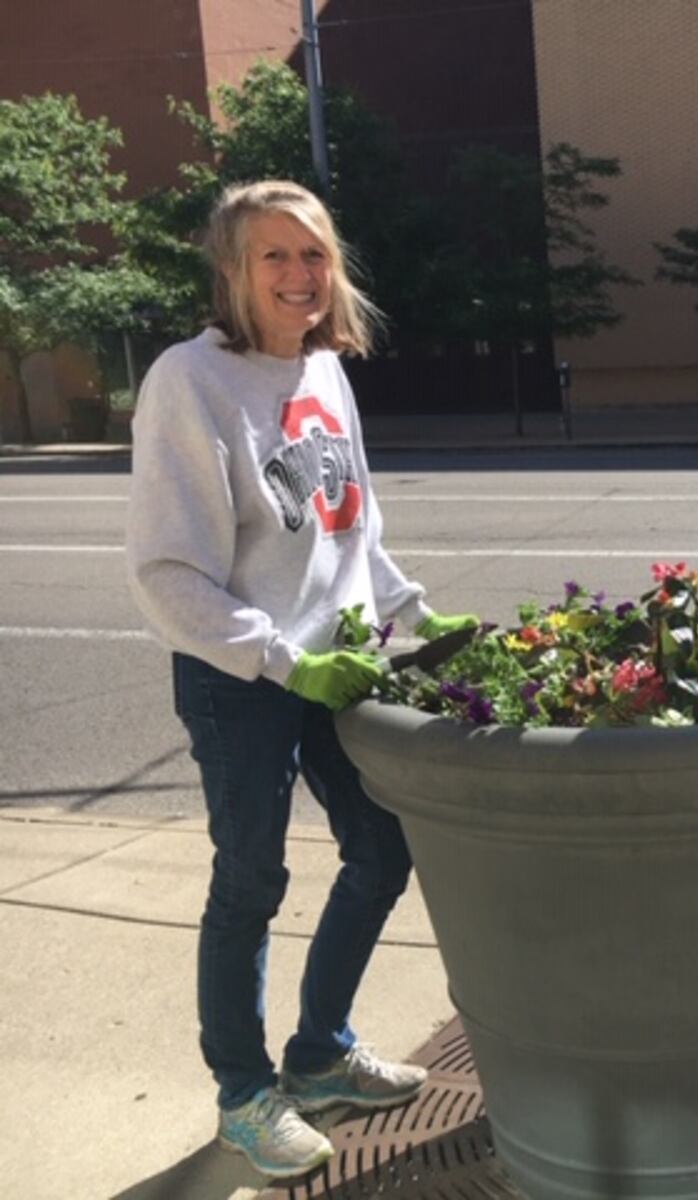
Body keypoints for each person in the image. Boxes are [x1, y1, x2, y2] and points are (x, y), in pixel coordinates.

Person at [125, 180, 479, 1179]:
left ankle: (320, 1050)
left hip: (338, 663)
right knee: (250, 882)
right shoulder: (187, 383)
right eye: (273, 257)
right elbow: (165, 574)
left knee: (380, 846)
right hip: (241, 677)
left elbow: (350, 531)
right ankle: (243, 1092)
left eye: (313, 255)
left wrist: (413, 610)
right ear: (233, 271)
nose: (299, 276)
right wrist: (285, 660)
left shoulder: (325, 372)